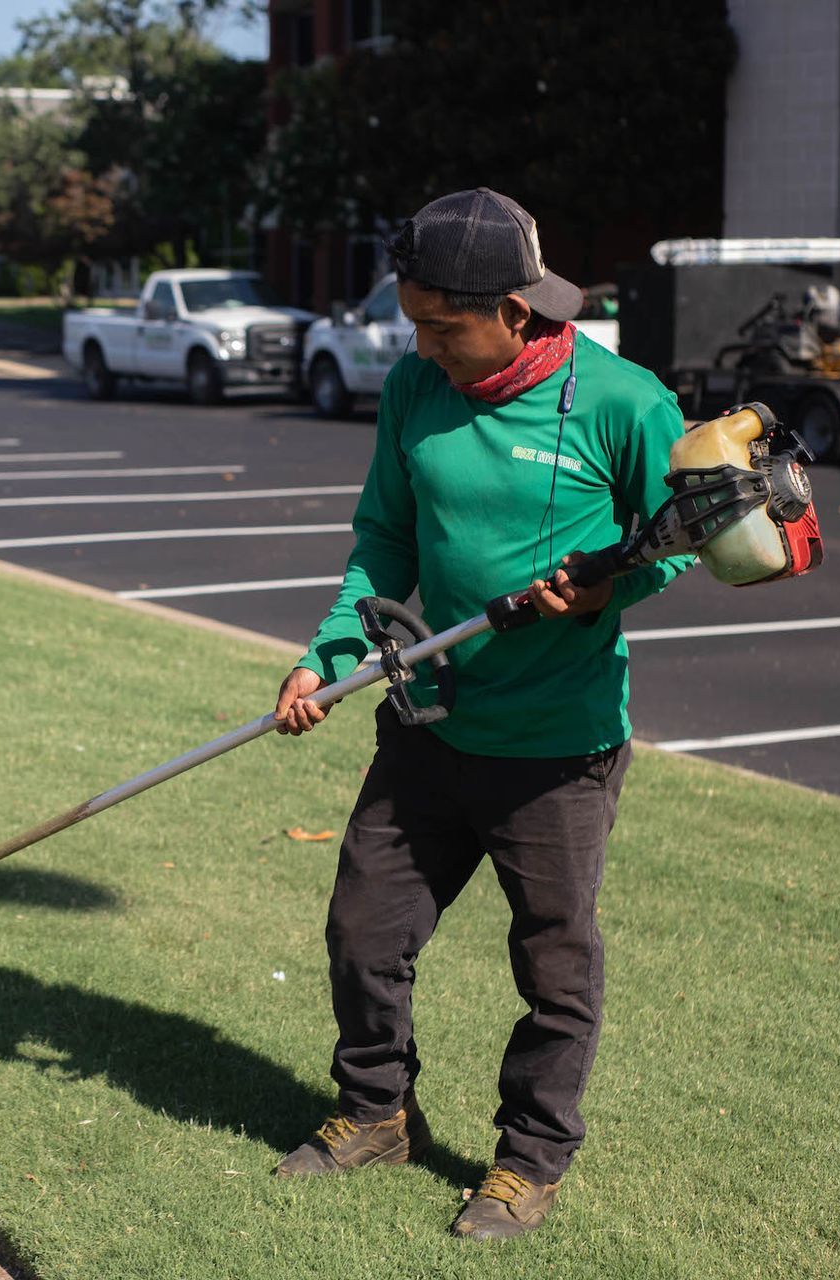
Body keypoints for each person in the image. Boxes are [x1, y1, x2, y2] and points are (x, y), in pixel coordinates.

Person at [268, 189, 692, 1240]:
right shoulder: (416, 388)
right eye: (413, 322)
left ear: (515, 309)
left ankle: (530, 1159)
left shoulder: (623, 401)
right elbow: (384, 536)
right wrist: (326, 655)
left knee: (554, 961)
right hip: (426, 717)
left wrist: (605, 589)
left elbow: (679, 536)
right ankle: (376, 1110)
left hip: (557, 746)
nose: (421, 344)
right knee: (363, 930)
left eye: (440, 325)